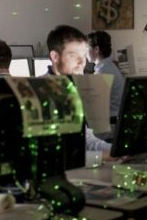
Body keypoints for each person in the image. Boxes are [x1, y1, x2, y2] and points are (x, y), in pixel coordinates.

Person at [47, 25, 111, 153]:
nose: (82, 62)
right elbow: (54, 153)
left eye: (84, 55)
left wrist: (115, 151)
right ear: (55, 56)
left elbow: (87, 140)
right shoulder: (42, 92)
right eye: (73, 55)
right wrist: (101, 156)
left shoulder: (74, 88)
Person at [87, 30, 125, 119]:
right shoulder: (107, 67)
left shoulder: (103, 71)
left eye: (86, 48)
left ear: (96, 49)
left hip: (110, 121)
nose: (85, 53)